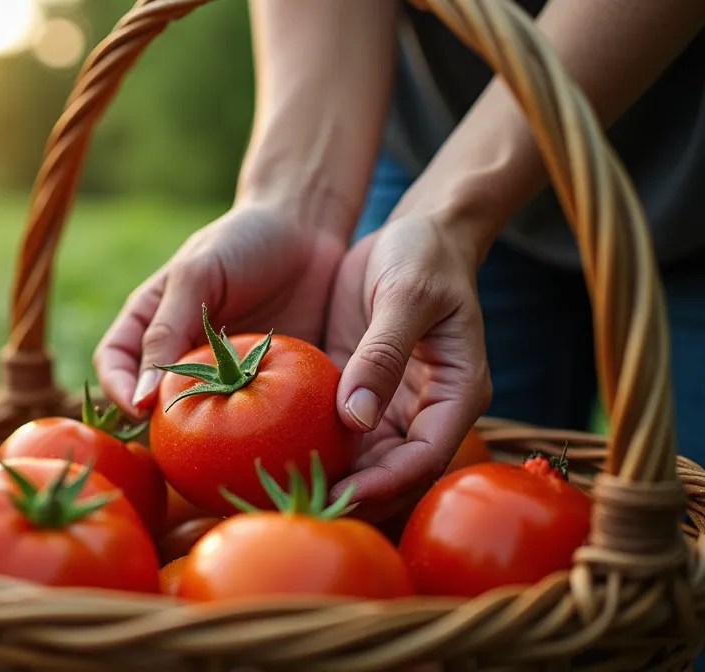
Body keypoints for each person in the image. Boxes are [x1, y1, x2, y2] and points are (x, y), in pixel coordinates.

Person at [93, 0, 705, 523]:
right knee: (473, 535)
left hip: (690, 171)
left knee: (680, 561)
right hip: (430, 144)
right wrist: (296, 201)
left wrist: (452, 212)